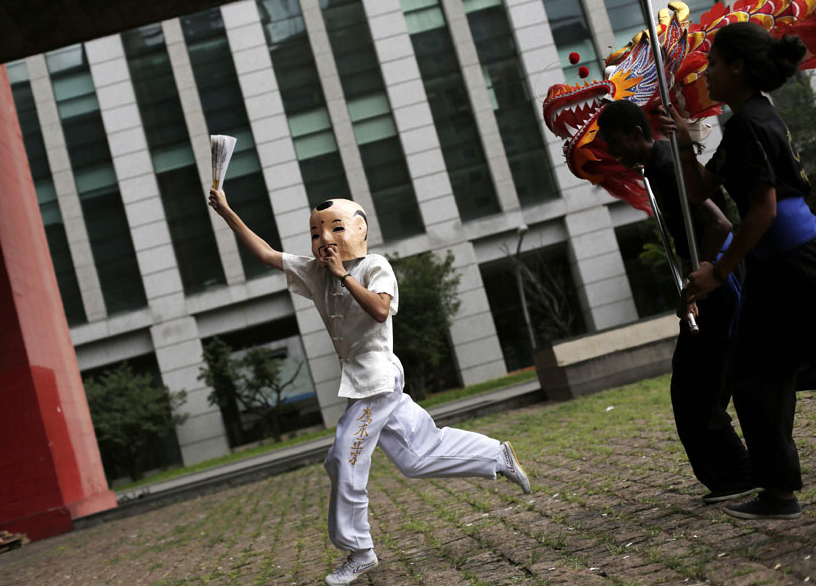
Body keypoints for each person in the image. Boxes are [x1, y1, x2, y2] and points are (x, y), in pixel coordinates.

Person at [208, 189, 531, 585]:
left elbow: (379, 310)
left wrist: (342, 275)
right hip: (365, 382)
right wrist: (227, 210)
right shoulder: (314, 271)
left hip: (376, 381)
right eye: (316, 233)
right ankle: (495, 455)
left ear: (360, 231)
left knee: (344, 458)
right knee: (417, 457)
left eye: (336, 229)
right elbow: (265, 254)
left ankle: (359, 551)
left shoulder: (375, 265)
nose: (325, 239)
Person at [666, 22, 816, 520]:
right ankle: (778, 492)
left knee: (758, 376)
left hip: (793, 263)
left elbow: (763, 210)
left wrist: (717, 270)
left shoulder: (752, 122)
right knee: (758, 377)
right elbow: (700, 188)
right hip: (780, 267)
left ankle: (779, 493)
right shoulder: (747, 120)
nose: (705, 73)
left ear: (737, 67)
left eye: (713, 63)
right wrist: (685, 141)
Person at [597, 99, 755, 504]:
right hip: (712, 282)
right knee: (705, 384)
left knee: (694, 386)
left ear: (636, 133)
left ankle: (737, 474)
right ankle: (738, 471)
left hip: (721, 283)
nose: (613, 155)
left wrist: (704, 274)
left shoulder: (666, 167)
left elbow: (720, 224)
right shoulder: (657, 166)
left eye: (616, 144)